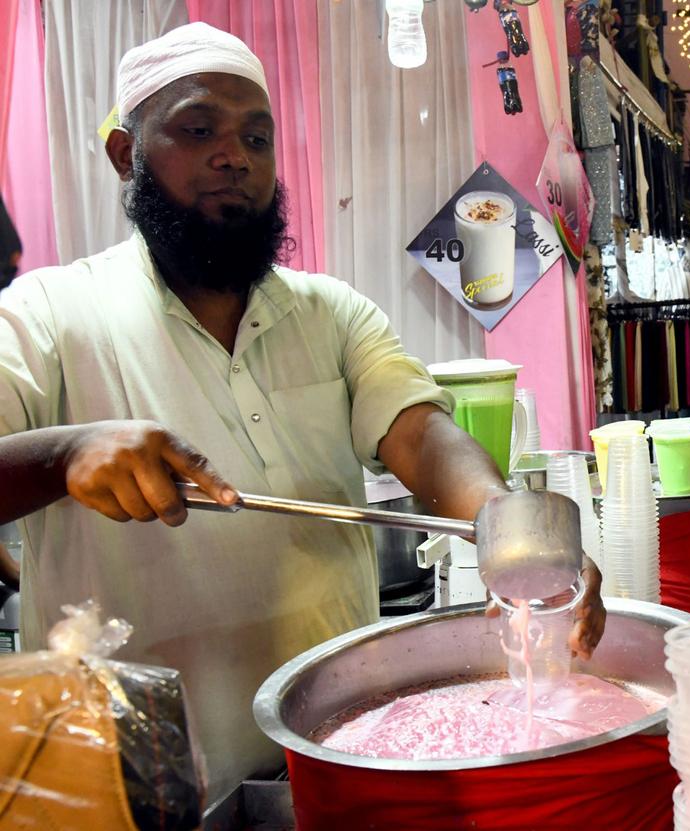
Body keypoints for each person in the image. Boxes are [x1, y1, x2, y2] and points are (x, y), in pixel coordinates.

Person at [0, 23, 605, 806]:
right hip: (137, 793)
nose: (234, 156)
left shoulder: (331, 312)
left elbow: (419, 434)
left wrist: (505, 528)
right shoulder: (50, 316)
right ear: (126, 153)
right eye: (198, 130)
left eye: (257, 137)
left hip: (335, 761)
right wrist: (66, 455)